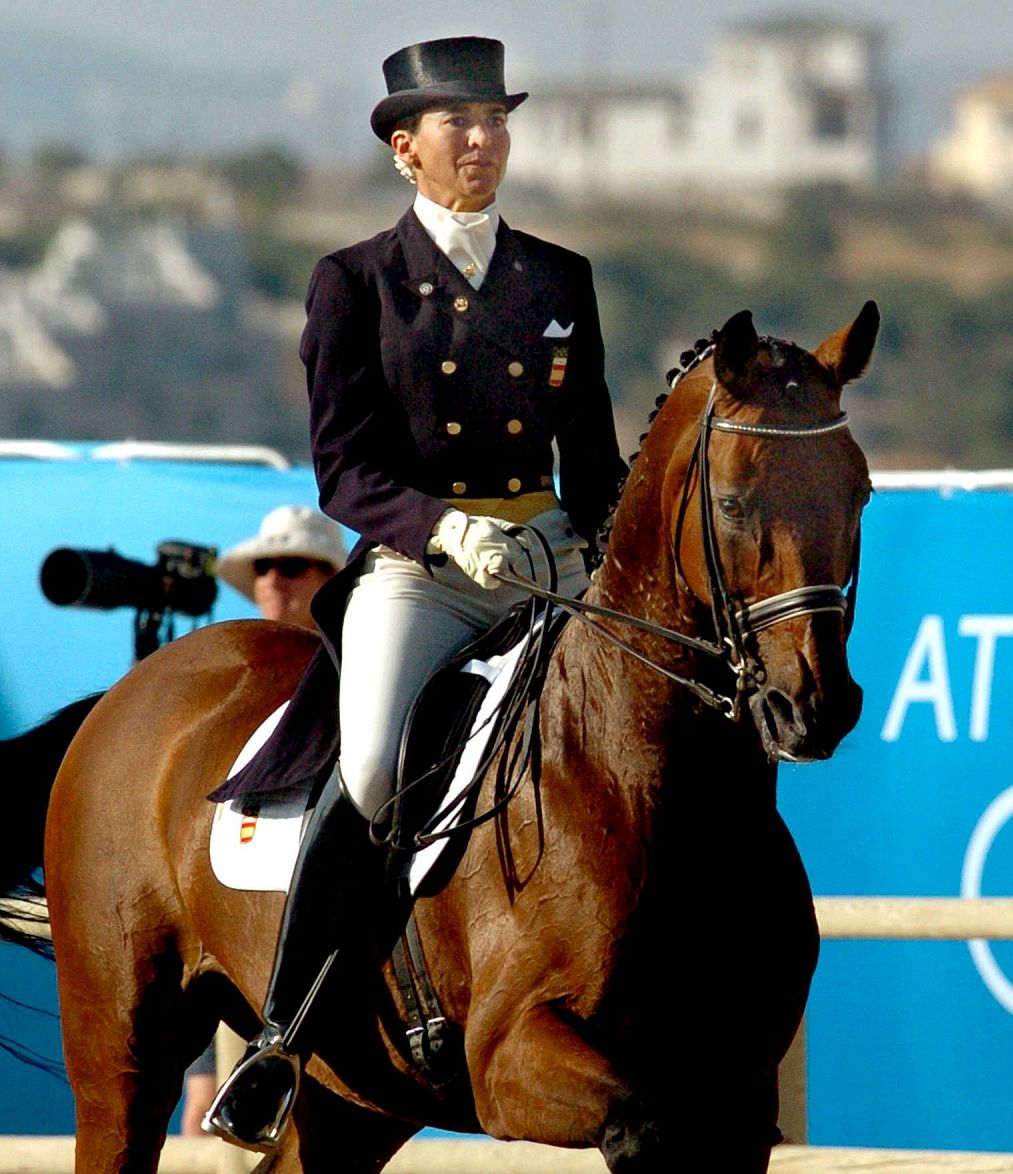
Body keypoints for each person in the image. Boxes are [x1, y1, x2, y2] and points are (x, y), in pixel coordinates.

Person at [203, 35, 626, 1151]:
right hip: (422, 572)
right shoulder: (354, 281)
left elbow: (592, 456)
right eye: (458, 124)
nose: (483, 140)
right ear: (406, 149)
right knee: (377, 762)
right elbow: (342, 468)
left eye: (495, 120)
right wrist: (445, 533)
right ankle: (284, 1035)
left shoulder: (558, 277)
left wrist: (594, 548)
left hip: (546, 562)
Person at [179, 505, 344, 1137]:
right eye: (266, 568)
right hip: (220, 956)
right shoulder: (222, 693)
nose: (274, 580)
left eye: (294, 566)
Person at [214, 505, 345, 630]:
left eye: (291, 567)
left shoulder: (359, 649)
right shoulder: (235, 650)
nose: (272, 581)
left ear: (330, 580)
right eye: (262, 567)